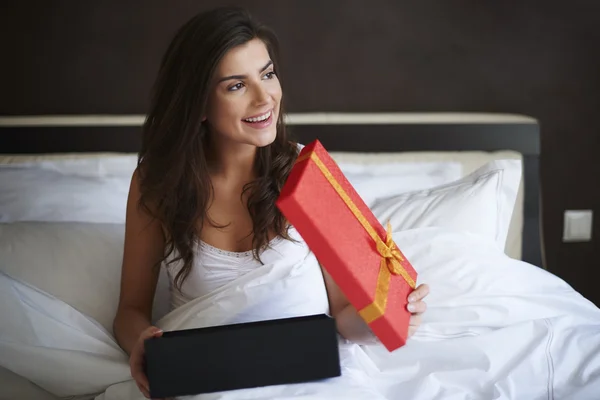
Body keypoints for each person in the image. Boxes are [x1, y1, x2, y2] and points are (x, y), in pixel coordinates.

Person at [112, 6, 429, 398]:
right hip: (206, 376)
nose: (265, 98)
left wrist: (386, 319)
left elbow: (343, 317)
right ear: (198, 104)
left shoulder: (308, 171)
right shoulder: (156, 182)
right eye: (236, 86)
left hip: (310, 379)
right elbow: (129, 311)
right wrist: (141, 339)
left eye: (267, 74)